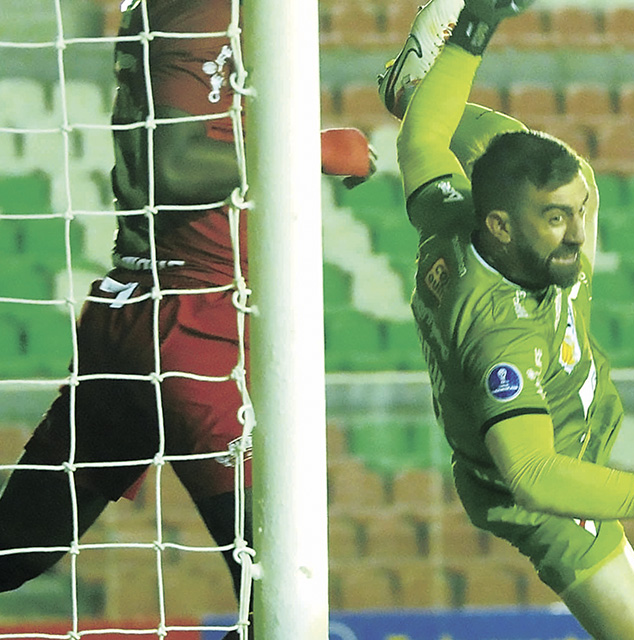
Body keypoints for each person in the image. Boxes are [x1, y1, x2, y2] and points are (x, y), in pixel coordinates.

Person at [381, 2, 634, 638]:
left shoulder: (453, 209)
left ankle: (419, 90)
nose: (581, 235)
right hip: (549, 493)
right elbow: (532, 475)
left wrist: (475, 28)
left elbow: (422, 143)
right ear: (499, 227)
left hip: (568, 431)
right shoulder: (498, 338)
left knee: (554, 163)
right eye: (557, 219)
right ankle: (418, 90)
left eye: (577, 214)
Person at [0, 0, 373, 637]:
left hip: (139, 310)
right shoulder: (202, 6)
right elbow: (167, 167)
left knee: (17, 545)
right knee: (279, 597)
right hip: (195, 331)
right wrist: (313, 148)